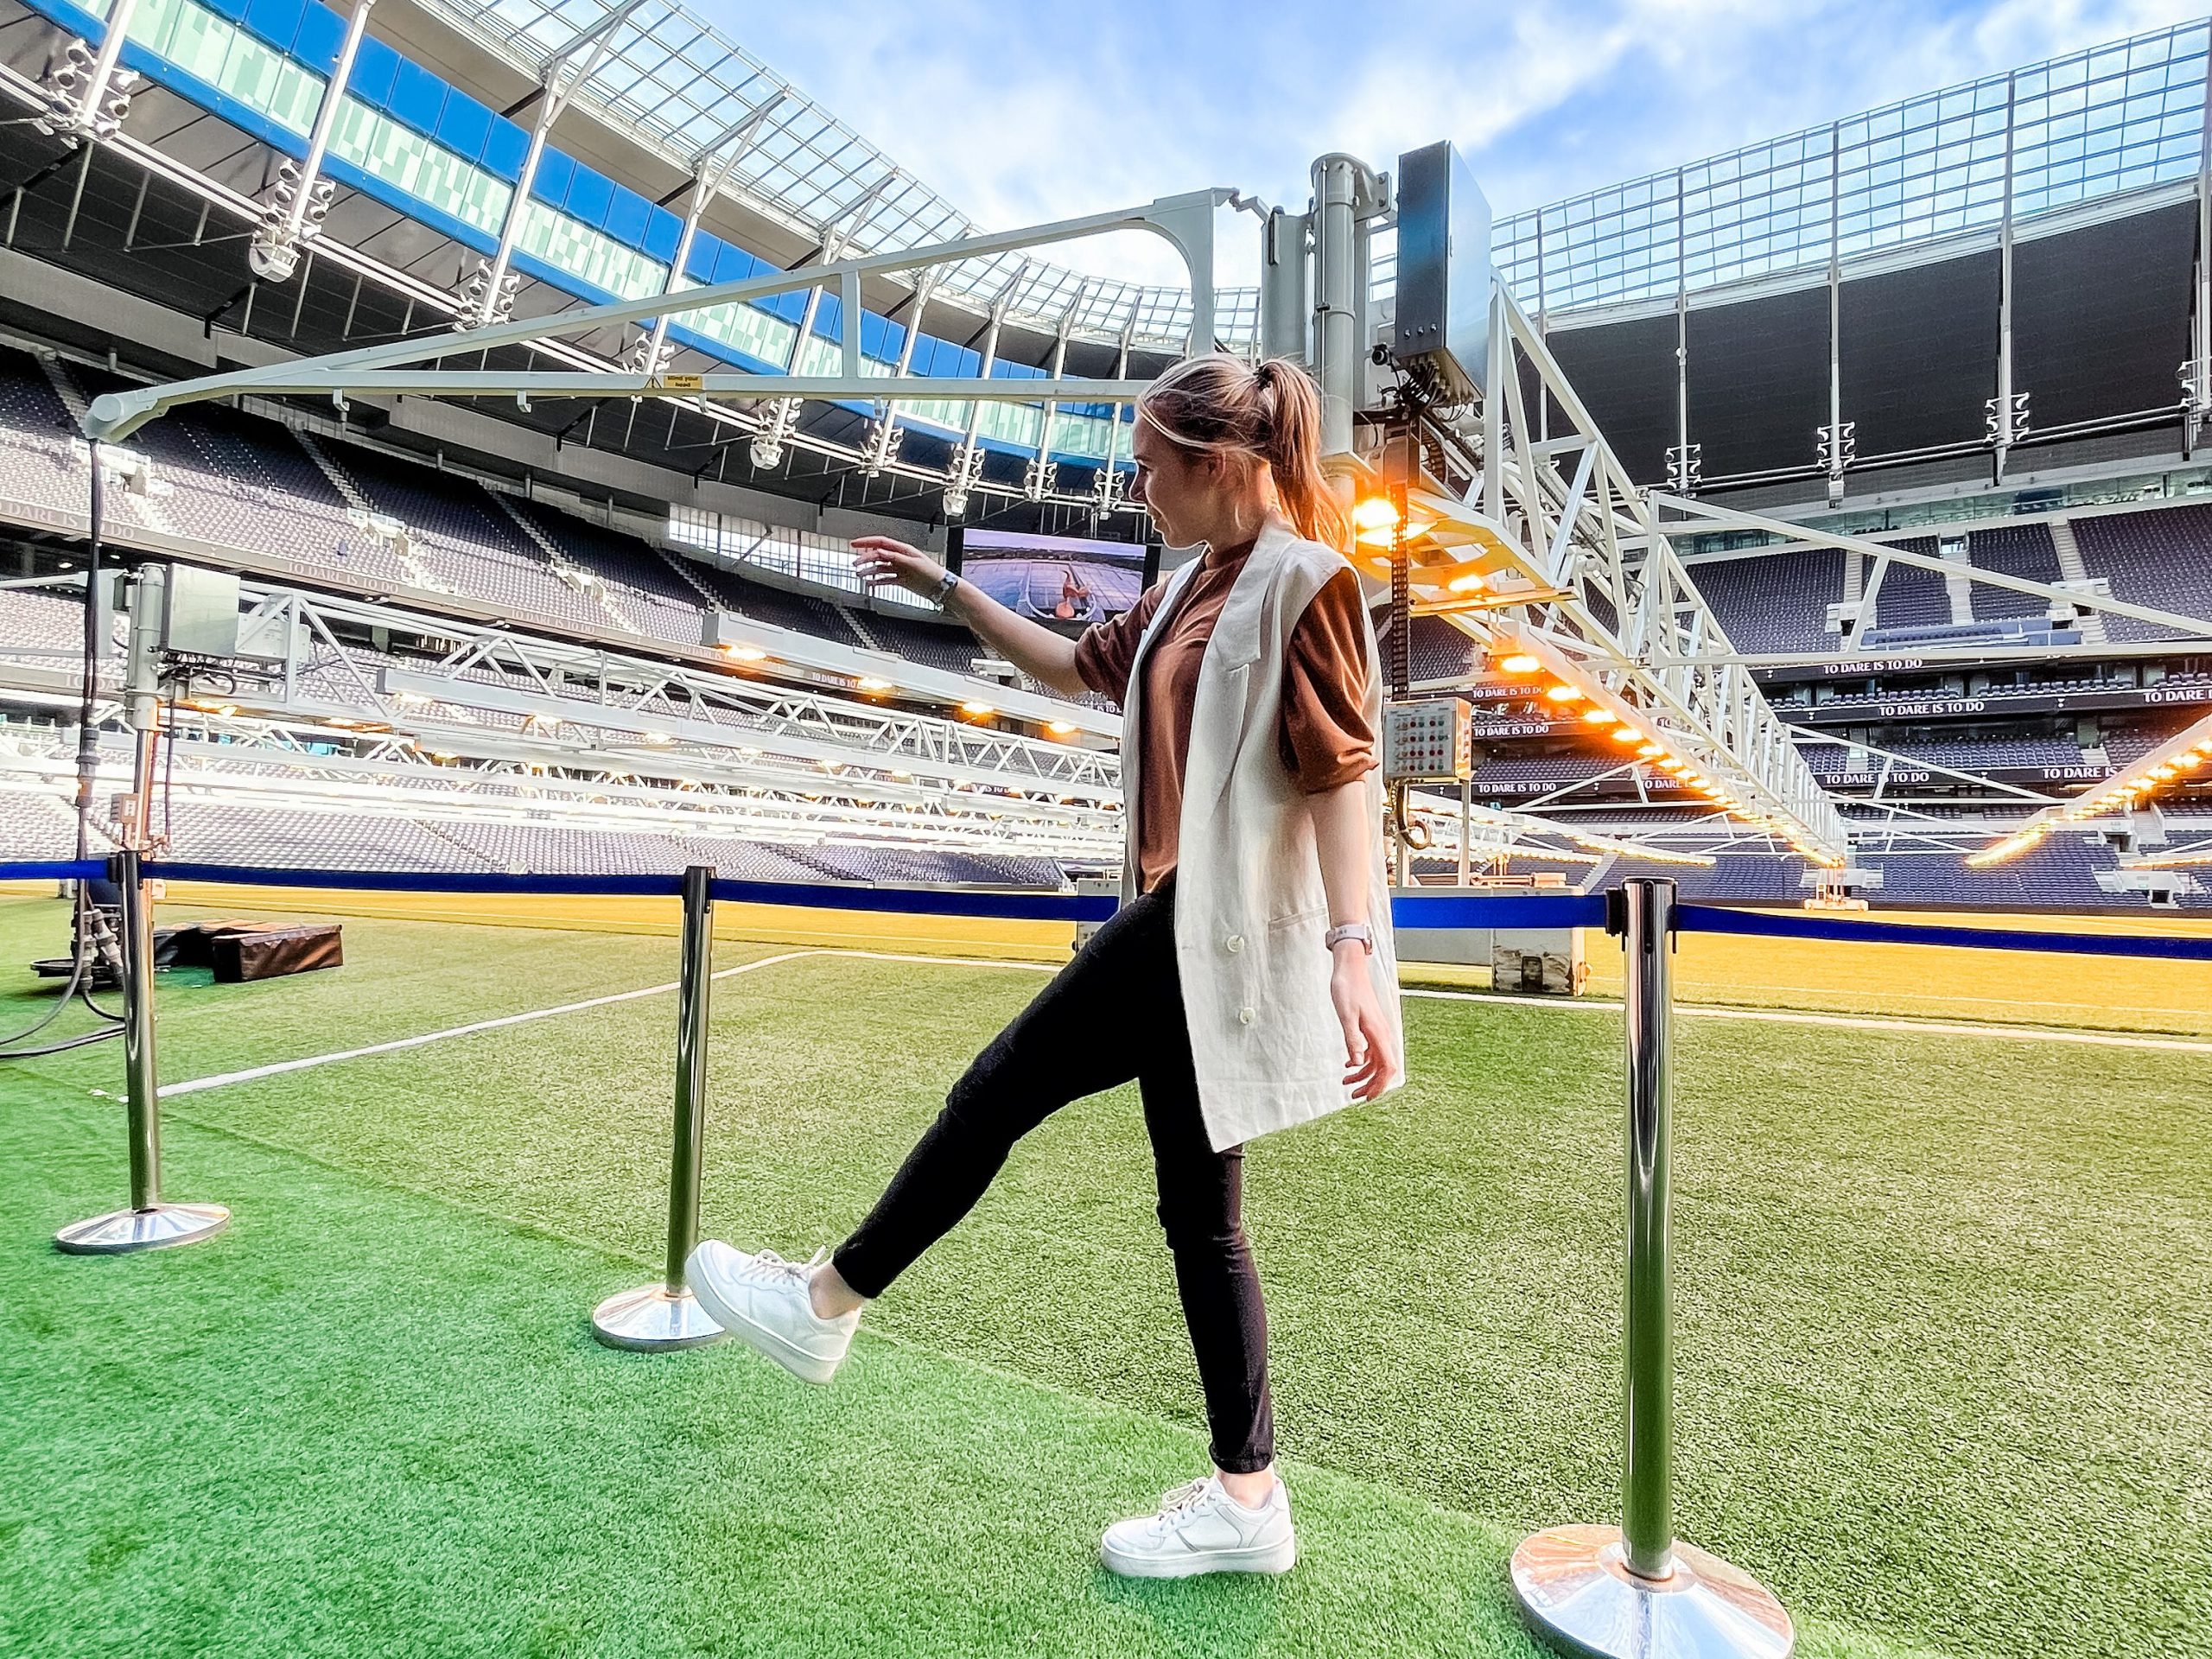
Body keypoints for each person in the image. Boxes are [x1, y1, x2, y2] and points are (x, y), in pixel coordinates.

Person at [689, 353, 1406, 1579]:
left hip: (1201, 924)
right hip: (1176, 925)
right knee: (1201, 1222)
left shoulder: (1307, 583)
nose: (1137, 488)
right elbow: (1073, 668)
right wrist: (947, 589)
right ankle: (1250, 1500)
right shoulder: (1192, 586)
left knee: (997, 1089)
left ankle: (824, 1305)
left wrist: (1355, 950)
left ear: (1220, 465)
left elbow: (1343, 772)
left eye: (1149, 466)